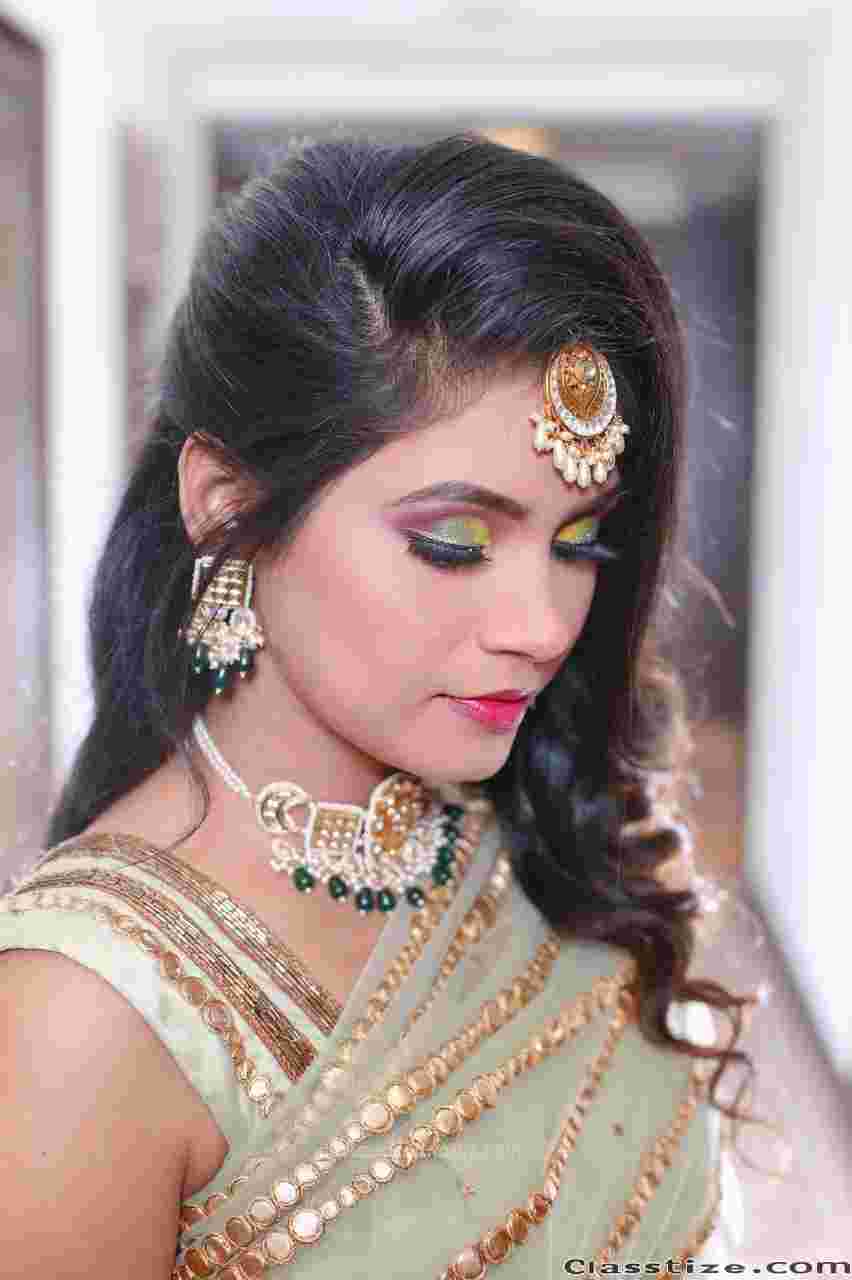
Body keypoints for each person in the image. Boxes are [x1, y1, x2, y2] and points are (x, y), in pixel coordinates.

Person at [0, 132, 754, 1279]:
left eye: (580, 540)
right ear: (227, 503)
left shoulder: (522, 827)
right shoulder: (83, 1018)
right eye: (453, 541)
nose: (544, 624)